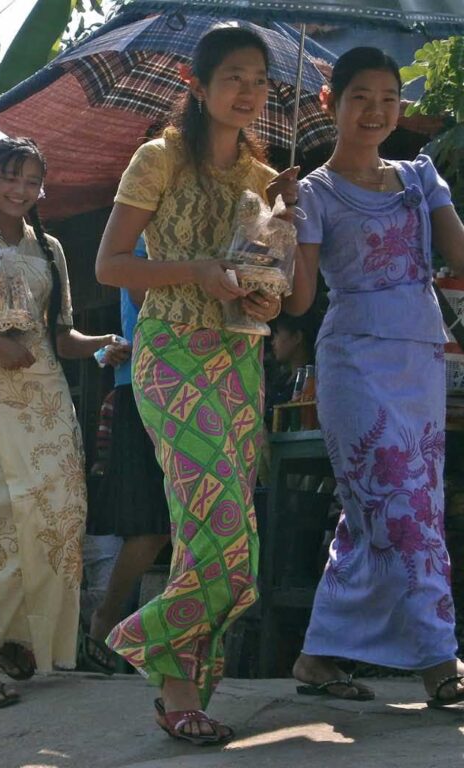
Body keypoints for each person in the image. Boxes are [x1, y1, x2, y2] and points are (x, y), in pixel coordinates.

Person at [95, 27, 289, 743]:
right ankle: (157, 659)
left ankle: (185, 690)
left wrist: (262, 295)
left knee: (237, 543)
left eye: (260, 80)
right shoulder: (158, 159)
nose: (249, 92)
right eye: (235, 76)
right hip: (171, 357)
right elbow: (111, 267)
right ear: (199, 85)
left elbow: (264, 286)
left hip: (238, 360)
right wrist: (197, 270)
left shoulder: (264, 179)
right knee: (213, 530)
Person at [286, 47, 464, 707]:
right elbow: (300, 302)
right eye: (361, 96)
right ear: (332, 103)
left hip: (420, 361)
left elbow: (457, 252)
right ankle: (437, 660)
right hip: (354, 366)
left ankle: (316, 656)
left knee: (380, 516)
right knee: (405, 507)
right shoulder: (311, 192)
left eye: (388, 97)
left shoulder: (421, 178)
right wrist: (277, 222)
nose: (376, 110)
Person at [0, 137, 124, 711]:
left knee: (57, 517)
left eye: (32, 180)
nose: (21, 190)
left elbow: (60, 338)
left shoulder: (52, 249)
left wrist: (103, 344)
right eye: (11, 177)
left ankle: (26, 641)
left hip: (45, 400)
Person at [86, 234, 170, 666]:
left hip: (198, 383)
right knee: (151, 526)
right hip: (144, 387)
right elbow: (143, 297)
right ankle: (103, 627)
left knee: (185, 524)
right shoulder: (142, 232)